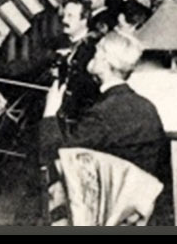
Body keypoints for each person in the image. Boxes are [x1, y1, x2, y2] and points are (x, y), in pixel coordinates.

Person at [40, 29, 168, 184]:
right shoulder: (148, 107)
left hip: (106, 203)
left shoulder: (103, 112)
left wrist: (50, 114)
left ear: (106, 63)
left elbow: (59, 160)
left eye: (96, 54)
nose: (91, 58)